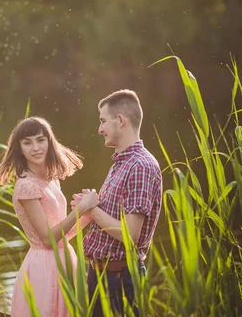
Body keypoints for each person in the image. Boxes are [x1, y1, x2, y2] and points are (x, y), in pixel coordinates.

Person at [0, 116, 100, 317]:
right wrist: (79, 209)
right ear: (19, 148)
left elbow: (62, 236)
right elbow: (47, 239)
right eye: (27, 142)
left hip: (65, 259)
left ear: (50, 141)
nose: (36, 148)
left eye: (41, 140)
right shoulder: (26, 186)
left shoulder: (50, 179)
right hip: (45, 268)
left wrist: (87, 214)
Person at [73, 90, 163, 316]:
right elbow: (112, 217)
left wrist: (92, 210)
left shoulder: (140, 166)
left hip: (120, 279)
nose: (99, 129)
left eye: (103, 121)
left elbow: (129, 235)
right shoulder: (121, 163)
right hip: (101, 275)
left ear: (120, 120)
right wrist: (91, 204)